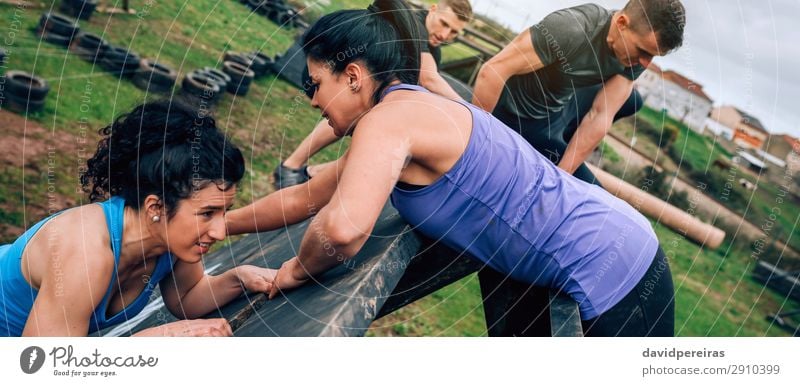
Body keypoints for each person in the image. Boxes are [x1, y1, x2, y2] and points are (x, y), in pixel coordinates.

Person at [226, 0, 674, 336]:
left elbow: (342, 232)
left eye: (316, 83)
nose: (312, 99)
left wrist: (293, 272)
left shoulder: (388, 121)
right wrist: (223, 225)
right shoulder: (410, 112)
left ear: (354, 76)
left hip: (617, 271)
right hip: (623, 240)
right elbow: (305, 197)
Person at [0, 100, 276, 337]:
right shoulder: (85, 252)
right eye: (207, 213)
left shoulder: (167, 240)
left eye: (223, 212)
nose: (218, 231)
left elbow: (187, 296)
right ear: (155, 207)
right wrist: (153, 340)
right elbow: (37, 366)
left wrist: (240, 279)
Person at [472, 0, 686, 185]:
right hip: (514, 113)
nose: (645, 63)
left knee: (632, 100)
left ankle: (565, 141)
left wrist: (560, 178)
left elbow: (600, 115)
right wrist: (477, 141)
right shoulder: (571, 27)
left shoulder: (636, 57)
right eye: (643, 51)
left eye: (654, 56)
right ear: (621, 23)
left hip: (559, 110)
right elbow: (494, 70)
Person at [273, 0, 473, 189]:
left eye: (454, 32)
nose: (445, 34)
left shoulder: (433, 50)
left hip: (367, 94)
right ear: (433, 10)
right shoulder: (415, 27)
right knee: (349, 113)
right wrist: (471, 112)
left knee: (378, 134)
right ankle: (292, 166)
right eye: (444, 23)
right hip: (334, 77)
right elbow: (429, 79)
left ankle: (311, 174)